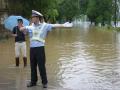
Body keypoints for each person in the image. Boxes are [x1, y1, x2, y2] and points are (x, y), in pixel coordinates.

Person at [20, 10, 73, 88]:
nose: (32, 19)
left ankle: (44, 82)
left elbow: (54, 25)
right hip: (32, 49)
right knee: (33, 66)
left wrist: (63, 25)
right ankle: (33, 81)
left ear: (37, 18)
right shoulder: (30, 26)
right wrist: (22, 28)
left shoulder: (45, 26)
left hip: (40, 49)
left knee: (41, 66)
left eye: (33, 17)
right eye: (32, 17)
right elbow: (23, 30)